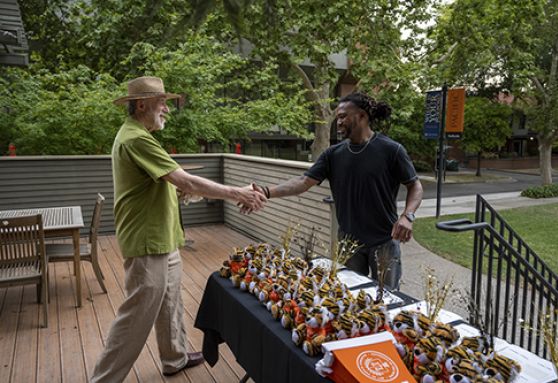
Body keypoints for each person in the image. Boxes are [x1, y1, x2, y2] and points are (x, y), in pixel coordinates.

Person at [90, 76, 266, 382]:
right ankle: (103, 379)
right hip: (147, 240)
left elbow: (169, 185)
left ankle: (174, 357)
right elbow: (184, 179)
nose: (167, 110)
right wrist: (238, 192)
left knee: (170, 301)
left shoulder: (141, 135)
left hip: (164, 237)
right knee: (136, 315)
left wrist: (187, 192)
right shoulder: (135, 138)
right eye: (162, 103)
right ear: (142, 105)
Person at [255, 92, 423, 290]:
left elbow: (415, 186)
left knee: (386, 299)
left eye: (343, 116)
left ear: (361, 116)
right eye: (338, 117)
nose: (339, 122)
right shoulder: (333, 155)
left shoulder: (391, 150)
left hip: (384, 242)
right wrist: (266, 192)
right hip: (348, 242)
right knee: (348, 295)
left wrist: (407, 216)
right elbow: (303, 182)